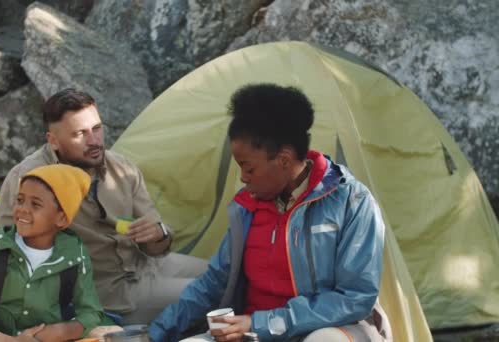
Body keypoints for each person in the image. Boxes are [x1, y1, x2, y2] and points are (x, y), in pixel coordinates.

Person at [148, 84, 392, 341]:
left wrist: (262, 323)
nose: (243, 178)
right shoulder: (246, 209)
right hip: (253, 332)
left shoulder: (351, 201)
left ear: (284, 160)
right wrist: (154, 334)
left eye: (249, 169)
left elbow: (355, 298)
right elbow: (213, 283)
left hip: (331, 329)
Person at [0, 88, 208, 324]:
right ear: (53, 141)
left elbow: (158, 244)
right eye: (80, 134)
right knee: (212, 294)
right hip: (106, 296)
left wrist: (158, 234)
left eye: (97, 129)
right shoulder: (28, 181)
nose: (94, 141)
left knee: (224, 276)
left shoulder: (122, 168)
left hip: (147, 266)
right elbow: (11, 259)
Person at [0, 164, 112, 341]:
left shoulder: (75, 255)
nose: (23, 209)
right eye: (20, 200)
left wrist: (60, 332)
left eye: (35, 204)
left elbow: (91, 313)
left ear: (62, 218)